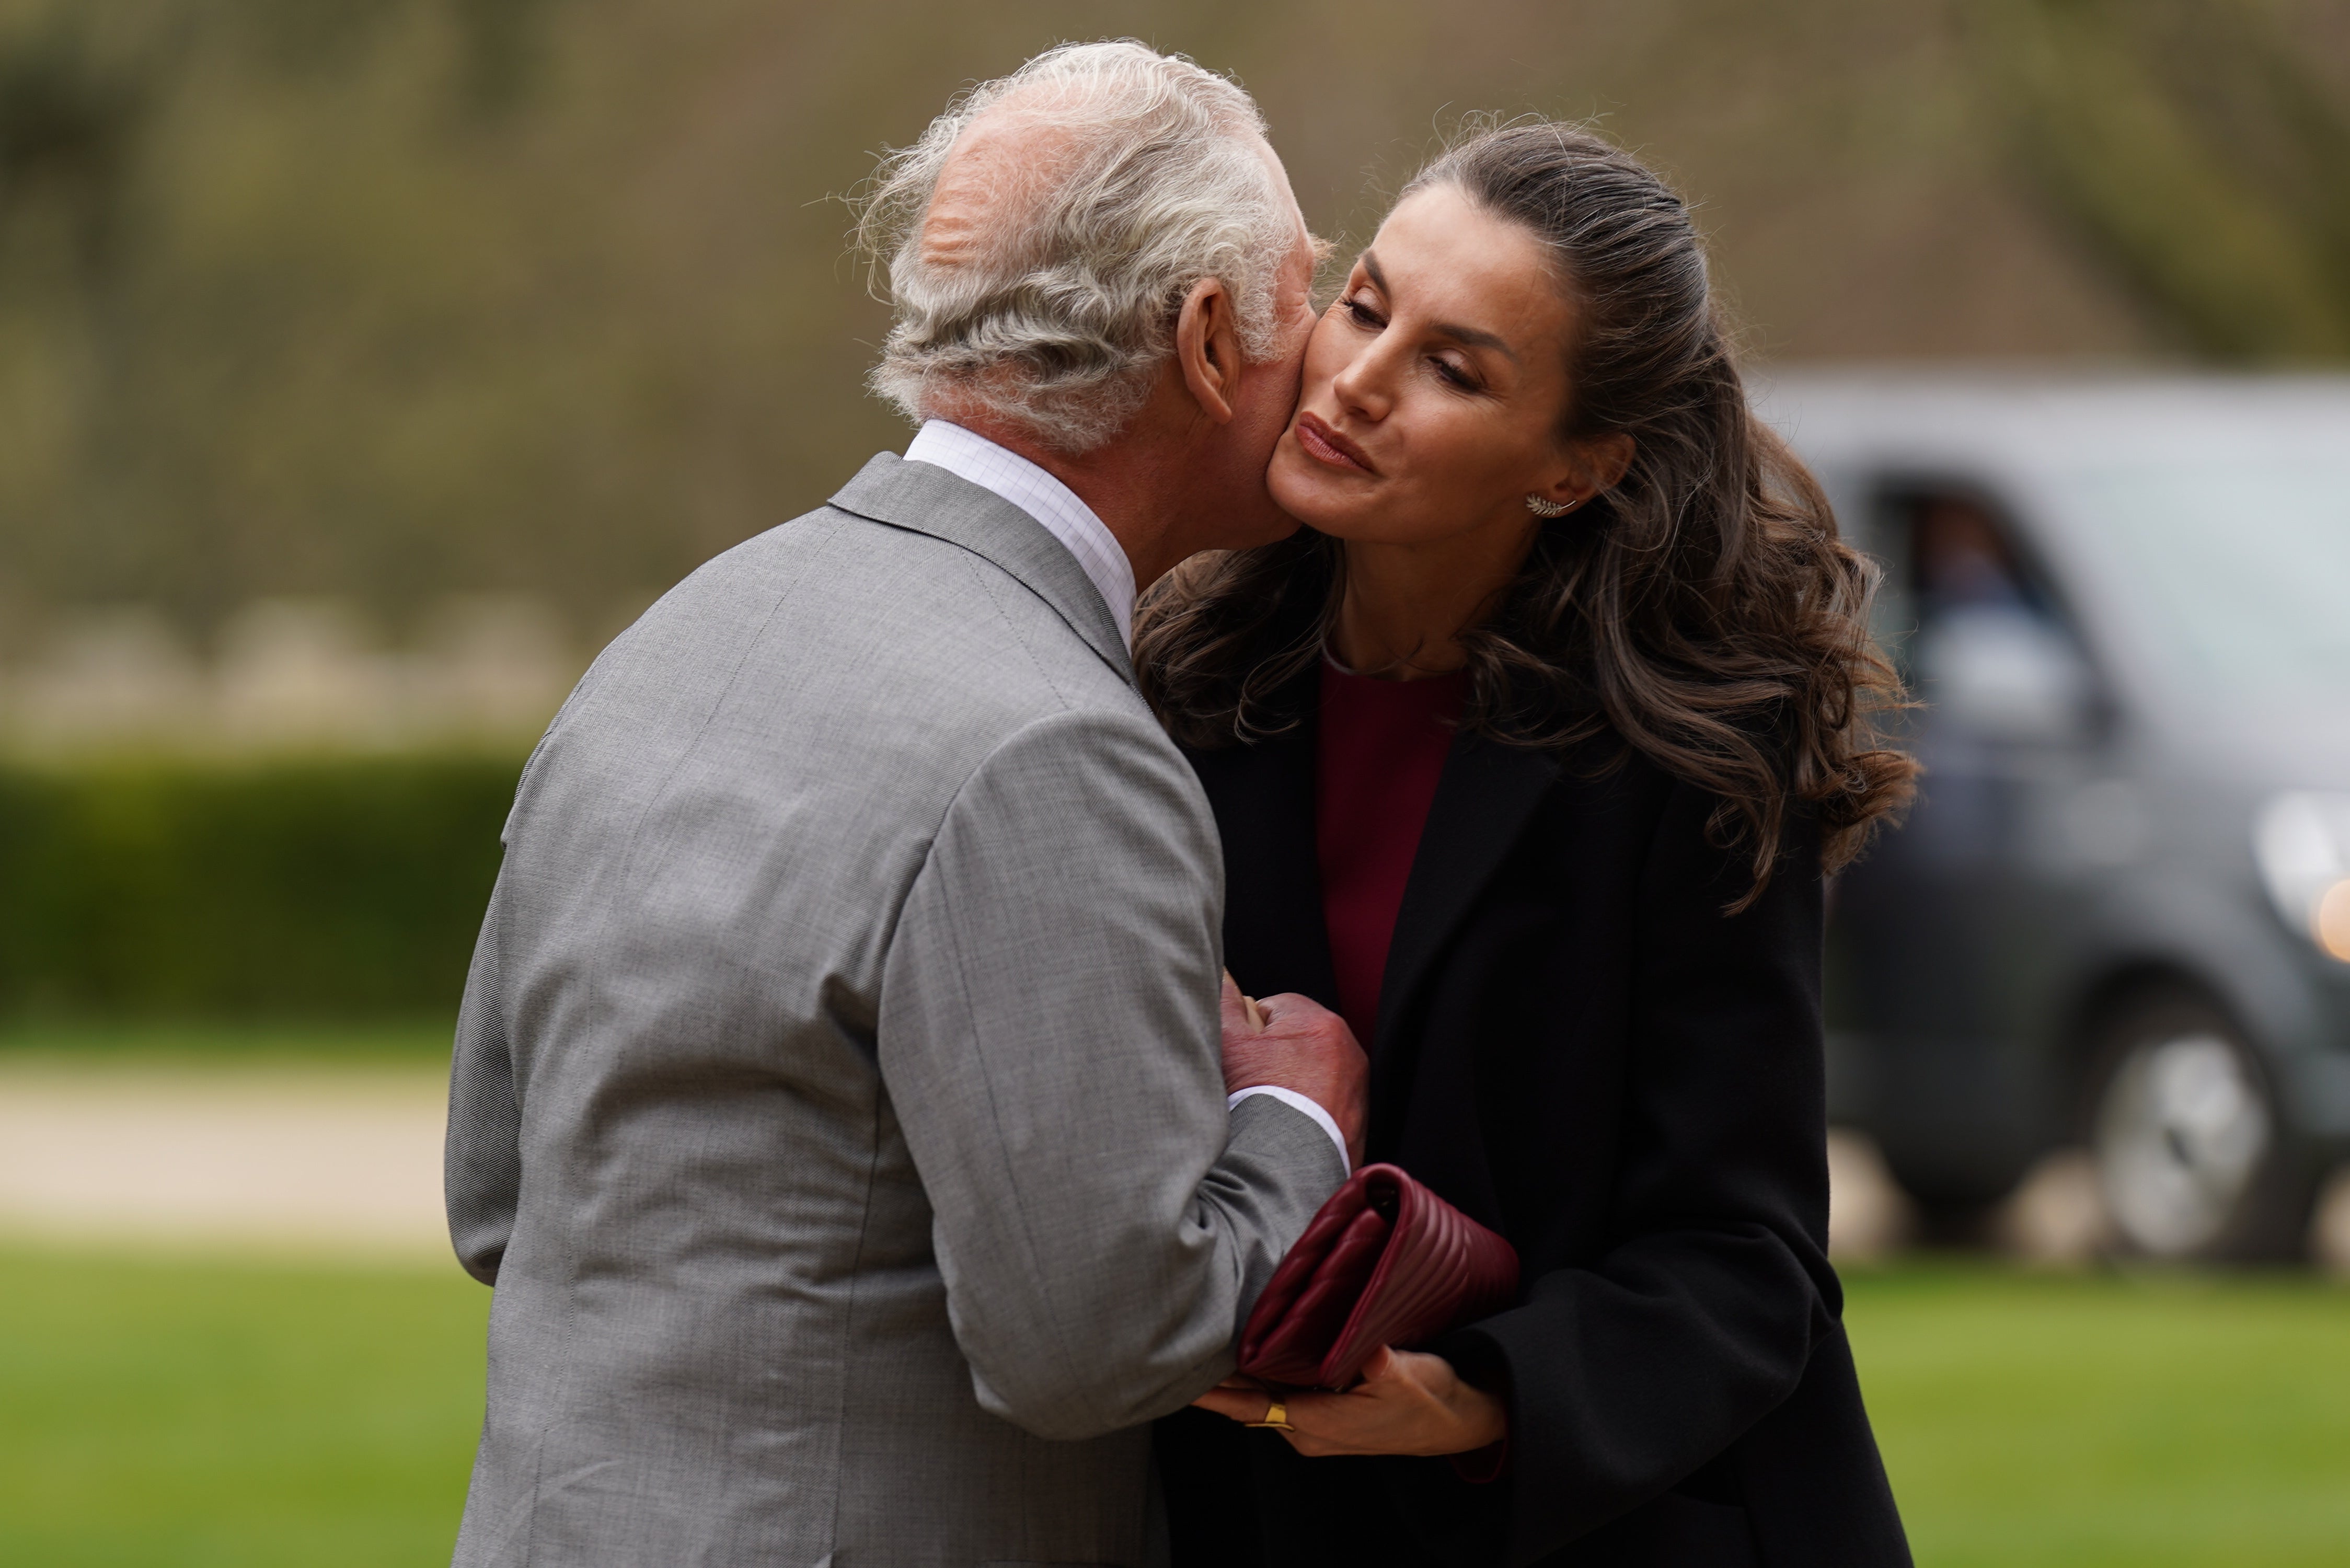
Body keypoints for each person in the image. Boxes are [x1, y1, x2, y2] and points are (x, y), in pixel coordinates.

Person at [442, 42, 1370, 1567]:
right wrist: (1290, 1124)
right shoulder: (1053, 750)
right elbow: (1095, 1344)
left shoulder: (672, 641)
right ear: (1209, 337)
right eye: (1310, 288)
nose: (1335, 346)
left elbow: (500, 1202)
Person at [1140, 121, 1920, 1566]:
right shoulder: (1177, 701)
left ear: (1574, 467)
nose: (1358, 381)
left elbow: (1742, 1263)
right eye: (1364, 306)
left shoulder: (1686, 769)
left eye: (1454, 367)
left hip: (1604, 1524)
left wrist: (1474, 1399)